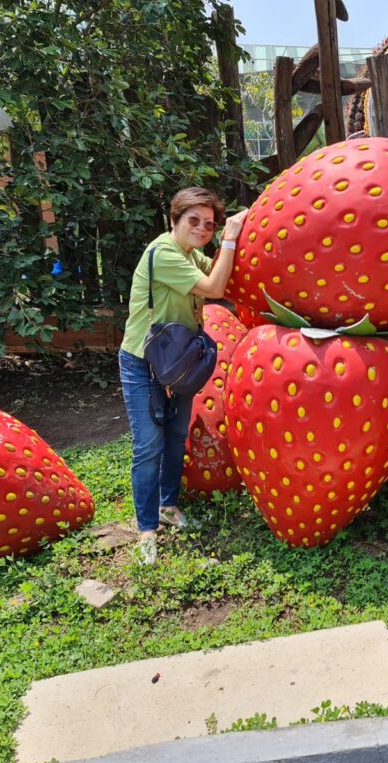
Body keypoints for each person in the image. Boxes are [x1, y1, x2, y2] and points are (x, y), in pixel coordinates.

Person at [119, 187, 247, 565]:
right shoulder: (164, 253)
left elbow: (226, 271)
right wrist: (229, 238)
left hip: (178, 362)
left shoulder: (190, 254)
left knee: (176, 437)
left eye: (209, 224)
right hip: (144, 362)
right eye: (194, 221)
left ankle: (168, 505)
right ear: (174, 220)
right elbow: (215, 288)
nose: (202, 229)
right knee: (148, 446)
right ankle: (146, 529)